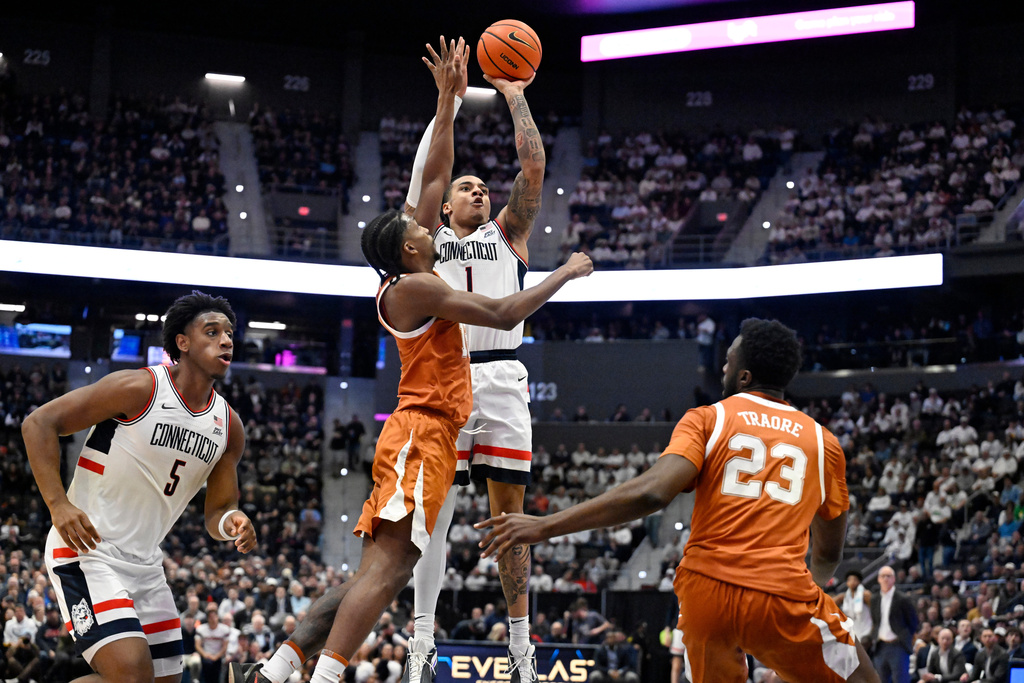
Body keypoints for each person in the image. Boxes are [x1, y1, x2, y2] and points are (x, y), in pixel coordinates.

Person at [231, 36, 591, 683]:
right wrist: (566, 269)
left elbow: (434, 177)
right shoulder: (419, 282)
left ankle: (283, 664)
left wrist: (450, 104)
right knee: (396, 564)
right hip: (426, 425)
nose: (426, 218)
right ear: (411, 245)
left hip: (460, 407)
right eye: (422, 224)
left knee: (384, 564)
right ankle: (334, 667)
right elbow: (506, 310)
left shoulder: (440, 258)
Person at [476, 319, 880, 683]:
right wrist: (788, 618)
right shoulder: (822, 442)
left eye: (727, 361)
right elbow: (828, 551)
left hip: (706, 595)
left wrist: (545, 525)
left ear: (743, 375)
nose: (721, 368)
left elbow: (654, 491)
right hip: (782, 594)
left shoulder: (710, 418)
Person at [401, 21, 549, 683]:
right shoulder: (426, 237)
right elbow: (430, 166)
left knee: (508, 518)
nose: (477, 190)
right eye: (466, 186)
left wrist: (514, 91)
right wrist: (449, 104)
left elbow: (533, 165)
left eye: (481, 186)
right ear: (447, 200)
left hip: (501, 377)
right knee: (433, 516)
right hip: (445, 380)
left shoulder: (509, 231)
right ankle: (421, 642)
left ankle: (521, 649)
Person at [23, 289, 257, 683]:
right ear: (182, 343)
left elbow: (217, 512)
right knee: (131, 677)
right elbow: (39, 424)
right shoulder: (139, 388)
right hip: (87, 551)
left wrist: (233, 521)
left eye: (229, 333)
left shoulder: (229, 426)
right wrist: (58, 505)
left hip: (146, 566)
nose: (226, 340)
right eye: (212, 332)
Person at [868, 565, 918, 683]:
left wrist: (905, 636)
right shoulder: (874, 599)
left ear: (894, 579)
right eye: (883, 576)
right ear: (878, 579)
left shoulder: (903, 598)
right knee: (881, 680)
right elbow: (875, 620)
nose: (886, 579)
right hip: (880, 646)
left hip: (898, 645)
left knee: (900, 680)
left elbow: (913, 621)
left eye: (889, 576)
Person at [835, 570, 873, 642]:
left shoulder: (865, 595)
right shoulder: (844, 597)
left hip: (866, 630)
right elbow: (830, 603)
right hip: (853, 631)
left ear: (859, 582)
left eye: (855, 579)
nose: (852, 582)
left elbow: (875, 610)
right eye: (850, 580)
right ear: (847, 583)